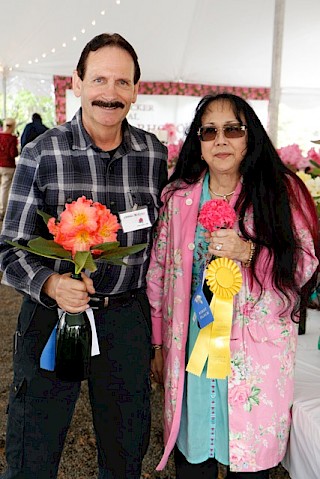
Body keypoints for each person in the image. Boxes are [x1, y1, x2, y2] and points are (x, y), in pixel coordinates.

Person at [0, 33, 167, 479]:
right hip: (52, 316)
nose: (109, 94)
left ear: (135, 88)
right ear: (77, 82)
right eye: (98, 80)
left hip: (125, 319)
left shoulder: (153, 154)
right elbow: (9, 250)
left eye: (121, 82)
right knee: (32, 448)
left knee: (125, 449)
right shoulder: (41, 153)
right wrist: (52, 284)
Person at [147, 93, 319, 479]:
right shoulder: (178, 199)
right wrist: (158, 344)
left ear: (250, 136)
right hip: (192, 352)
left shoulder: (280, 193)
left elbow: (306, 262)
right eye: (209, 132)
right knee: (193, 460)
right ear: (199, 143)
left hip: (255, 358)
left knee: (250, 465)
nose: (220, 140)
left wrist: (252, 252)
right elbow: (158, 274)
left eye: (232, 129)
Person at [0, 118, 19, 220]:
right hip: (8, 167)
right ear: (12, 126)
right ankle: (2, 212)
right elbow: (13, 154)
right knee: (5, 189)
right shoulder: (12, 138)